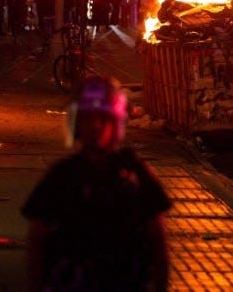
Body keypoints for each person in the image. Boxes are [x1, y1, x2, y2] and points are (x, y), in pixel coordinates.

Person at [22, 76, 170, 292]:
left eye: (103, 119)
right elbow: (37, 240)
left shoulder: (136, 175)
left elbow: (159, 243)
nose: (95, 126)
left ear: (116, 122)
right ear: (77, 123)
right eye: (88, 119)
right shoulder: (62, 175)